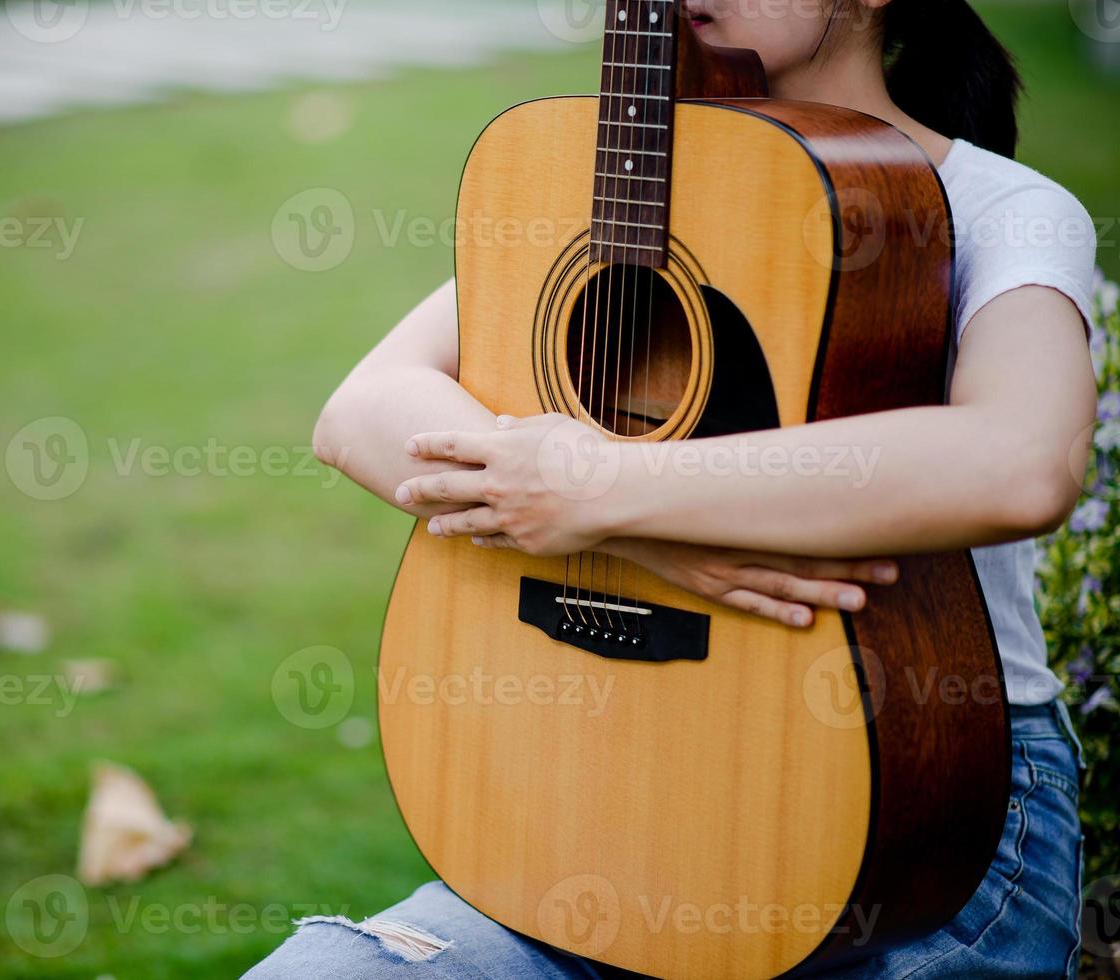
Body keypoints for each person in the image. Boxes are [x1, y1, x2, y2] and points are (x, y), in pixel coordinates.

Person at [247, 0, 1097, 975]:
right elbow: (359, 411)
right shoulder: (604, 193)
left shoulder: (996, 208)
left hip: (913, 822)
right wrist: (620, 520)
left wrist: (610, 486)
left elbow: (1018, 458)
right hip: (584, 813)